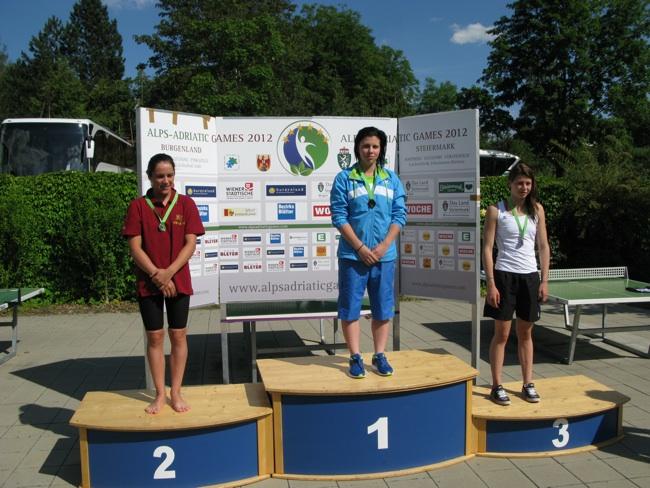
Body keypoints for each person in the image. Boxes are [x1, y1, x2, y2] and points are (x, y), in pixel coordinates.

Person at [122, 153, 205, 414]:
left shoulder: (186, 204)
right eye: (160, 176)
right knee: (155, 336)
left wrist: (168, 273)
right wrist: (157, 275)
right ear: (150, 177)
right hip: (149, 282)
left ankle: (176, 392)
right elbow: (135, 248)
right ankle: (159, 394)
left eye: (169, 175)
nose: (165, 181)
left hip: (177, 278)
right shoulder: (138, 206)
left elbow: (190, 243)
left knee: (178, 334)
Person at [330, 127, 407, 378]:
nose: (370, 151)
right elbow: (339, 216)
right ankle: (355, 357)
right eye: (365, 146)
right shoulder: (344, 178)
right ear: (357, 148)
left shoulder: (391, 179)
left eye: (375, 146)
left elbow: (399, 215)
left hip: (384, 256)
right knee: (350, 307)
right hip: (353, 256)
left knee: (383, 309)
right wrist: (360, 247)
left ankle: (379, 355)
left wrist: (384, 246)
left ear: (381, 149)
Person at [482, 162, 550, 405]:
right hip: (504, 277)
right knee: (501, 333)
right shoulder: (496, 210)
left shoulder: (537, 210)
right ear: (510, 184)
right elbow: (487, 248)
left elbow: (543, 246)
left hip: (529, 277)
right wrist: (491, 283)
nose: (524, 187)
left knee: (525, 333)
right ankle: (496, 385)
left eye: (528, 183)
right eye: (520, 183)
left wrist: (544, 280)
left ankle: (527, 383)